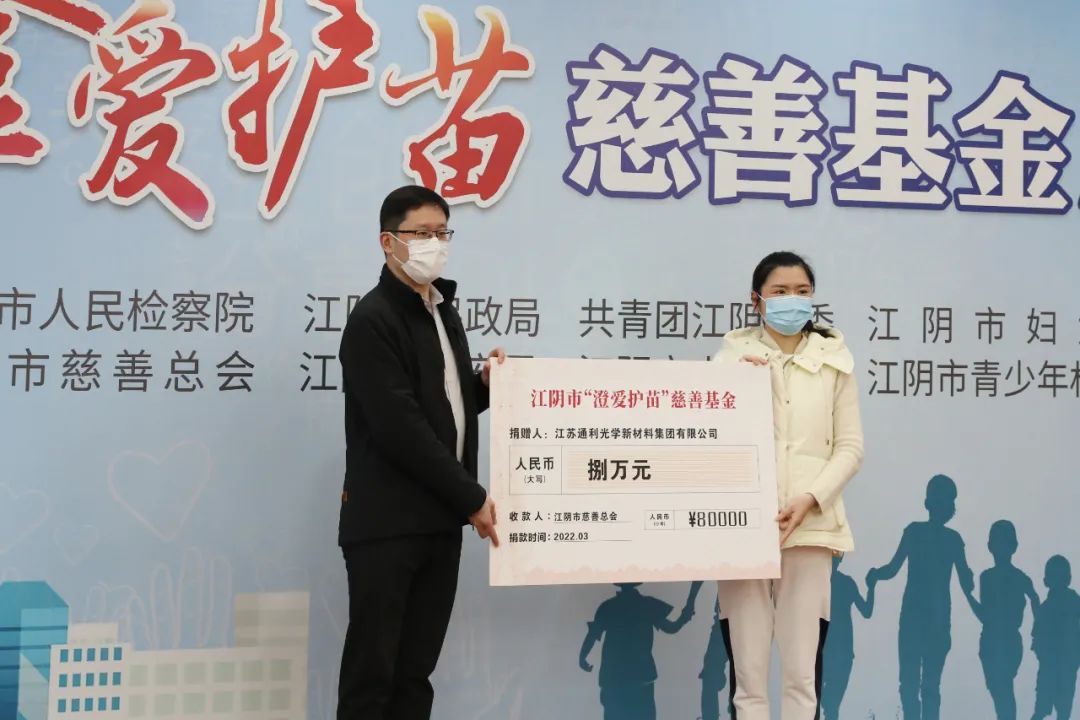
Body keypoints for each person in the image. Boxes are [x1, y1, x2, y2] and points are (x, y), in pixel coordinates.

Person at [336, 185, 505, 720]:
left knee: (415, 675)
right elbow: (400, 428)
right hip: (388, 525)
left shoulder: (440, 309)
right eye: (422, 233)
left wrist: (486, 386)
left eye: (442, 233)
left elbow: (444, 405)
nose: (436, 244)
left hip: (438, 521)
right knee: (373, 676)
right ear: (389, 242)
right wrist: (471, 496)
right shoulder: (373, 319)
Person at [712, 251, 864, 720]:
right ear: (756, 300)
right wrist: (739, 386)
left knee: (802, 678)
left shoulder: (835, 363)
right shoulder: (728, 362)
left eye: (802, 291)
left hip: (811, 530)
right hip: (743, 532)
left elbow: (850, 448)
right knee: (748, 679)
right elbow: (709, 442)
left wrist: (810, 499)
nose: (792, 300)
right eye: (780, 291)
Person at [867, 474, 974, 720]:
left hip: (918, 621)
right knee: (927, 687)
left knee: (913, 685)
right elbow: (967, 583)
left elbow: (891, 569)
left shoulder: (917, 533)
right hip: (930, 621)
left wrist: (875, 575)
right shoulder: (951, 539)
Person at [579, 582, 701, 720]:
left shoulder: (608, 607)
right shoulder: (647, 605)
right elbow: (671, 628)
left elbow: (592, 635)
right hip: (640, 677)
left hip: (614, 678)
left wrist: (582, 657)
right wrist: (685, 616)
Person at [964, 520, 1039, 720]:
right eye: (998, 542)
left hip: (1006, 640)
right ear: (990, 546)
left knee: (1003, 689)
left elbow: (1034, 598)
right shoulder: (987, 577)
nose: (1001, 548)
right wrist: (968, 595)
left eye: (1005, 543)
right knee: (1001, 692)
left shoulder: (1017, 577)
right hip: (991, 641)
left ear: (1013, 546)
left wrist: (1037, 629)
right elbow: (985, 615)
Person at [1031, 555, 1079, 720]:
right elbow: (1037, 640)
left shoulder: (1074, 602)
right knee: (1044, 711)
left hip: (1064, 666)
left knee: (1059, 712)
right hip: (1052, 667)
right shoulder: (1047, 608)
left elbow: (1037, 639)